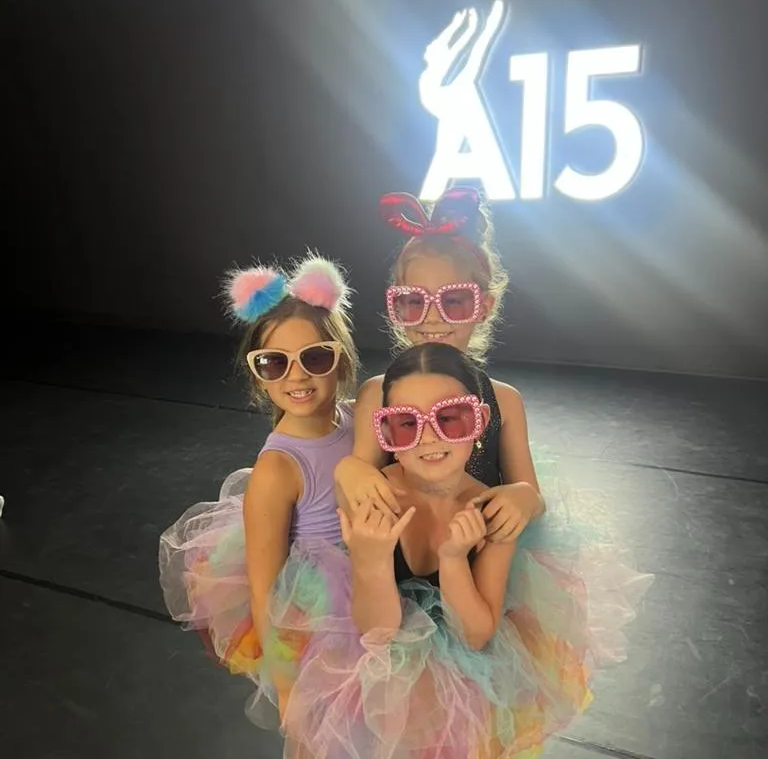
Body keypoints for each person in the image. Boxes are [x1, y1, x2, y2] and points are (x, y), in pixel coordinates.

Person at [273, 342, 654, 758]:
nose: (429, 437)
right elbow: (376, 633)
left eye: (450, 418)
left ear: (480, 421)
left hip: (467, 682)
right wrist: (372, 562)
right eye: (406, 424)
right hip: (375, 678)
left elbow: (475, 635)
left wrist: (454, 560)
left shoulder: (491, 510)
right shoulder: (373, 501)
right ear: (385, 432)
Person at [158, 252, 359, 719]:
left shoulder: (354, 419)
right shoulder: (278, 468)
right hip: (319, 616)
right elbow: (265, 588)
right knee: (334, 722)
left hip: (375, 578)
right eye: (274, 363)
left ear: (341, 360)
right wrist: (285, 684)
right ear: (258, 376)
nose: (297, 375)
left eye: (315, 357)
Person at [335, 186, 544, 544]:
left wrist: (525, 497)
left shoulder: (504, 401)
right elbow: (360, 477)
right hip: (401, 552)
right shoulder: (376, 393)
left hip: (479, 552)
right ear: (396, 307)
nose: (432, 317)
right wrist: (349, 470)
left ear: (484, 306)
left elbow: (531, 493)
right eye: (415, 302)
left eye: (454, 301)